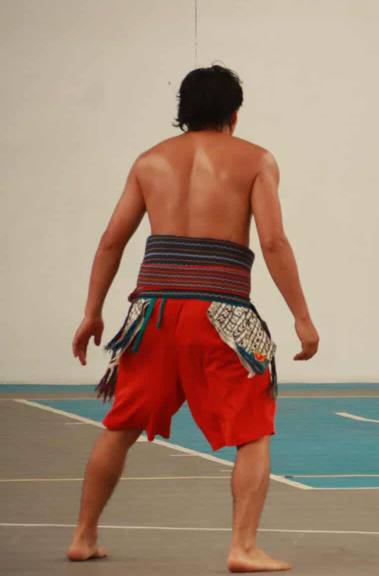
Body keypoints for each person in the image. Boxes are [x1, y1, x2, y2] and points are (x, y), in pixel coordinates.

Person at [67, 65, 318, 572]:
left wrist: (92, 313)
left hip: (152, 312)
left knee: (120, 425)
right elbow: (272, 241)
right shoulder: (255, 159)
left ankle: (83, 536)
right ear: (234, 112)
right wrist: (301, 317)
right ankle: (242, 547)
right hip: (221, 314)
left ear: (183, 111)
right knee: (252, 433)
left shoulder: (150, 161)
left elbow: (112, 240)